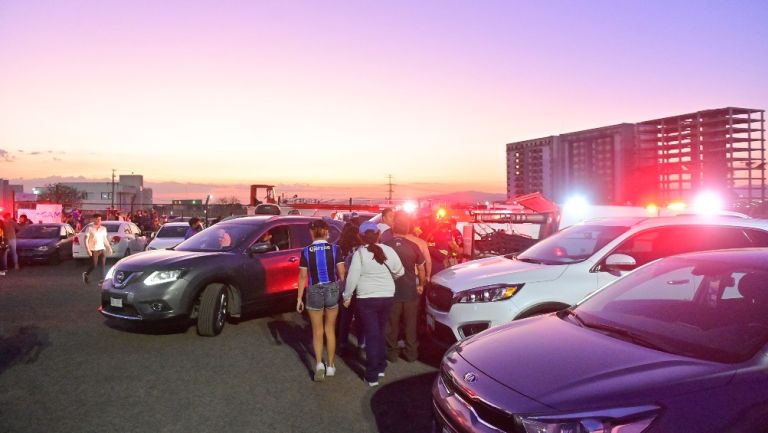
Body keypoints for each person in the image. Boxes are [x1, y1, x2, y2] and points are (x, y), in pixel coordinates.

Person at [343, 221, 404, 386]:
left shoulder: (359, 254)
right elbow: (400, 271)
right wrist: (390, 280)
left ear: (360, 236)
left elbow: (352, 278)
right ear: (378, 235)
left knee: (372, 334)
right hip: (387, 296)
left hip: (367, 299)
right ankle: (381, 365)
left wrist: (347, 296)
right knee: (380, 331)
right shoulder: (389, 251)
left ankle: (372, 375)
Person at [297, 220, 346, 382]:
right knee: (330, 329)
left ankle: (319, 364)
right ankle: (331, 365)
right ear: (326, 232)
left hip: (314, 289)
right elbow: (341, 273)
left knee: (317, 331)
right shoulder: (335, 249)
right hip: (331, 288)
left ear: (312, 232)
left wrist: (299, 298)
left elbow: (303, 276)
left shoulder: (306, 251)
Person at [384, 212, 426, 362]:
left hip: (391, 292)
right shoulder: (413, 246)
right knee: (410, 325)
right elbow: (421, 268)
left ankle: (392, 353)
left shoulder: (385, 246)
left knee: (391, 325)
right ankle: (411, 354)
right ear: (407, 227)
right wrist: (421, 284)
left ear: (394, 226)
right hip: (410, 292)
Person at [336, 221, 364, 355]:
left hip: (343, 285)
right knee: (359, 317)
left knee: (344, 318)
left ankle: (342, 344)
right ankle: (361, 345)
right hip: (358, 287)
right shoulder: (360, 249)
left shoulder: (338, 247)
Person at [83, 213, 113, 284]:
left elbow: (105, 239)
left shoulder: (103, 229)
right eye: (97, 219)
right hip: (94, 249)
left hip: (102, 249)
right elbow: (85, 239)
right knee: (94, 265)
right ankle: (86, 274)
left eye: (100, 219)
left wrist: (109, 248)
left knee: (102, 266)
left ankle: (102, 280)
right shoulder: (89, 228)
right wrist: (88, 249)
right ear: (93, 219)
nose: (99, 220)